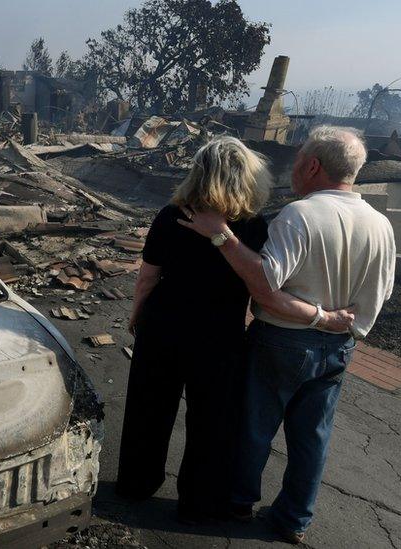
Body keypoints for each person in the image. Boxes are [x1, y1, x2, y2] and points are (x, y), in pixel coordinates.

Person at [117, 136, 353, 523]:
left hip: (163, 327)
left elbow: (148, 277)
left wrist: (136, 315)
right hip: (219, 336)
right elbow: (263, 282)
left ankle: (136, 483)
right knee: (212, 421)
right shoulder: (255, 227)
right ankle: (199, 502)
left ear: (198, 172)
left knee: (149, 408)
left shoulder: (171, 214)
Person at [178, 126, 396, 543]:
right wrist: (339, 324)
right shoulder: (381, 225)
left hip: (282, 341)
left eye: (297, 160)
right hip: (339, 348)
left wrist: (220, 235)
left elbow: (265, 284)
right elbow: (380, 293)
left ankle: (239, 503)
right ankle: (294, 520)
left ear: (313, 166)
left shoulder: (300, 215)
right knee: (312, 438)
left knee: (255, 427)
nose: (292, 167)